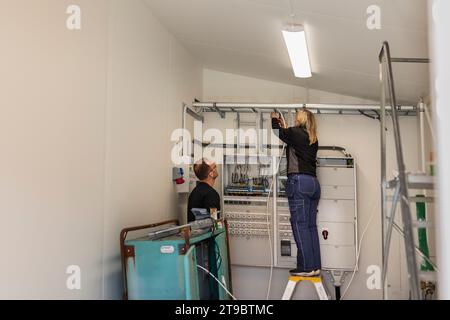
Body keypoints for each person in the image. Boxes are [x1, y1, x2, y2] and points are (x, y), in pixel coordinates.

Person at [271, 108, 321, 277]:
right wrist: (285, 128)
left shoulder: (295, 133)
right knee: (310, 227)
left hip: (299, 183)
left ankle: (306, 267)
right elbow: (288, 136)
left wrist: (274, 118)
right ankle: (314, 265)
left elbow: (277, 131)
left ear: (300, 119)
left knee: (300, 225)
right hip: (313, 184)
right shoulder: (313, 139)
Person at [187, 158, 221, 223]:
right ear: (211, 174)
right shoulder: (211, 194)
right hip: (206, 233)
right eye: (214, 167)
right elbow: (214, 223)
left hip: (195, 232)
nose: (216, 166)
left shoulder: (194, 192)